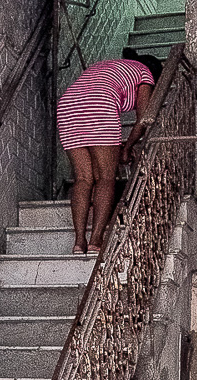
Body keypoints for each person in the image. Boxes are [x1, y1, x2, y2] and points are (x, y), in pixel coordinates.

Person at [57, 49, 163, 255]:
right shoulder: (145, 74)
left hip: (68, 105)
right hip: (99, 105)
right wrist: (129, 147)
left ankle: (79, 242)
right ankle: (96, 240)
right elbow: (143, 119)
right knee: (106, 178)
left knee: (83, 178)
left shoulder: (110, 66)